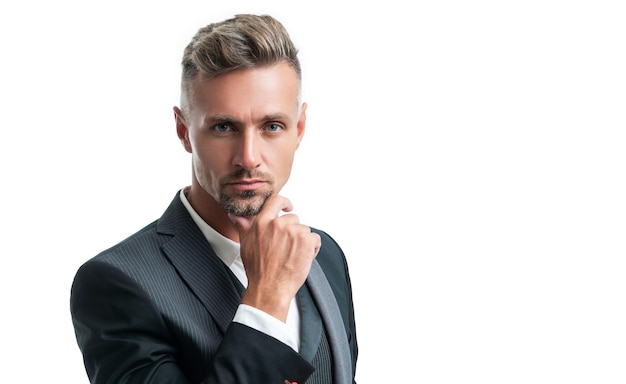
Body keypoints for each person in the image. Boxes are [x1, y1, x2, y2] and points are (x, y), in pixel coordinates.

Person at [69, 13, 358, 384]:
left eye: (272, 126)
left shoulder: (324, 255)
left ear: (298, 129)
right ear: (183, 130)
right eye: (224, 127)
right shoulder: (115, 283)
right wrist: (265, 301)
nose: (249, 156)